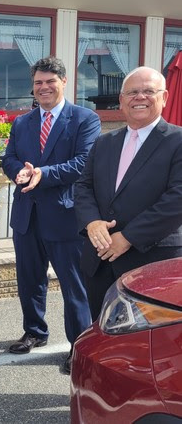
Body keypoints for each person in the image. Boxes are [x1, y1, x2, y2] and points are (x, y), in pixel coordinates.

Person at [2, 56, 100, 374]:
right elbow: (10, 158)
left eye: (49, 82)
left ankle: (79, 346)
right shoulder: (22, 122)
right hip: (26, 217)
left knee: (74, 287)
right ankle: (35, 331)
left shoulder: (85, 119)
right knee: (29, 281)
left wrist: (42, 173)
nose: (43, 88)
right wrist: (18, 173)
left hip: (65, 217)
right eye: (38, 83)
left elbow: (84, 162)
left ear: (63, 82)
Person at [75, 66, 182, 322]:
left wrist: (128, 237)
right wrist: (92, 222)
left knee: (148, 343)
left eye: (148, 91)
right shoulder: (104, 142)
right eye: (132, 92)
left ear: (164, 97)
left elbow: (177, 199)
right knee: (102, 331)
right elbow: (83, 187)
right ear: (122, 100)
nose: (139, 97)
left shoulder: (178, 141)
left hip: (151, 261)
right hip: (100, 261)